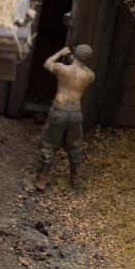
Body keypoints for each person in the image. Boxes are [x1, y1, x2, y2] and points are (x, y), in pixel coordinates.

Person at [34, 44, 95, 191]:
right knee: (74, 145)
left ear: (75, 55)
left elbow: (47, 64)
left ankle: (42, 179)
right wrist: (76, 60)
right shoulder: (90, 75)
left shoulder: (62, 69)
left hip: (59, 111)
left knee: (49, 143)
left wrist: (61, 52)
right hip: (76, 113)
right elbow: (81, 67)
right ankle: (76, 179)